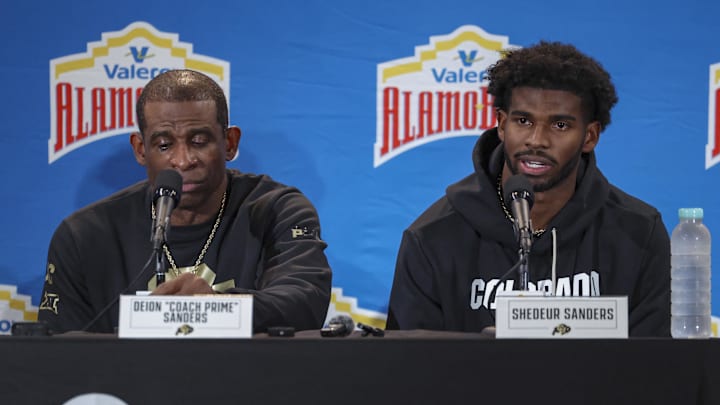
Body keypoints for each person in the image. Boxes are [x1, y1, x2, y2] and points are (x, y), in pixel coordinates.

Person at [386, 41, 670, 337]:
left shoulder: (638, 233)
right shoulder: (433, 238)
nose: (537, 140)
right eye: (523, 121)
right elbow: (409, 370)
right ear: (501, 124)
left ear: (590, 136)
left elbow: (656, 369)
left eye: (560, 125)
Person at [38, 69, 332, 334]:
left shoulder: (277, 209)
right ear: (141, 150)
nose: (183, 160)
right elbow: (60, 352)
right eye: (164, 145)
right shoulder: (85, 234)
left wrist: (212, 309)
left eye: (199, 141)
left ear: (229, 143)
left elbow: (304, 301)